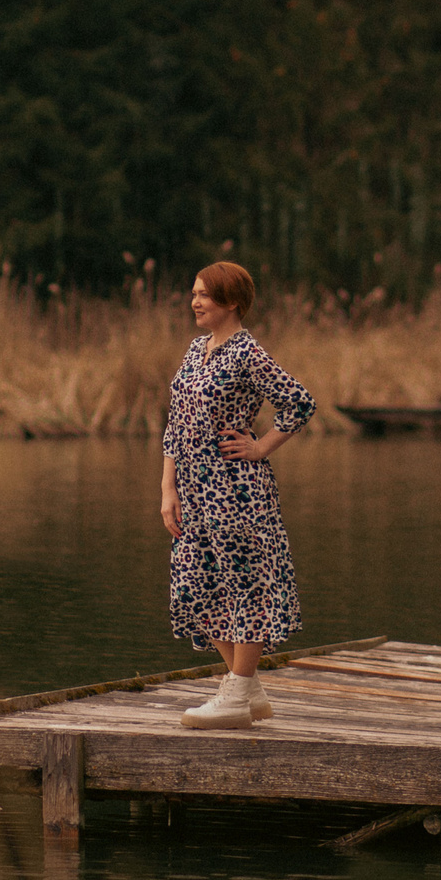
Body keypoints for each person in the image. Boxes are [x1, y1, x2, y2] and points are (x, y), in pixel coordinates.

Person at [159, 261, 316, 730]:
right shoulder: (195, 350)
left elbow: (300, 402)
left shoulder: (248, 353)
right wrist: (168, 487)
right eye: (193, 292)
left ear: (231, 302)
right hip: (192, 491)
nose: (195, 301)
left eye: (204, 294)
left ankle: (235, 694)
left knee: (245, 586)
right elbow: (175, 422)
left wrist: (261, 445)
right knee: (195, 587)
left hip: (237, 492)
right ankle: (247, 688)